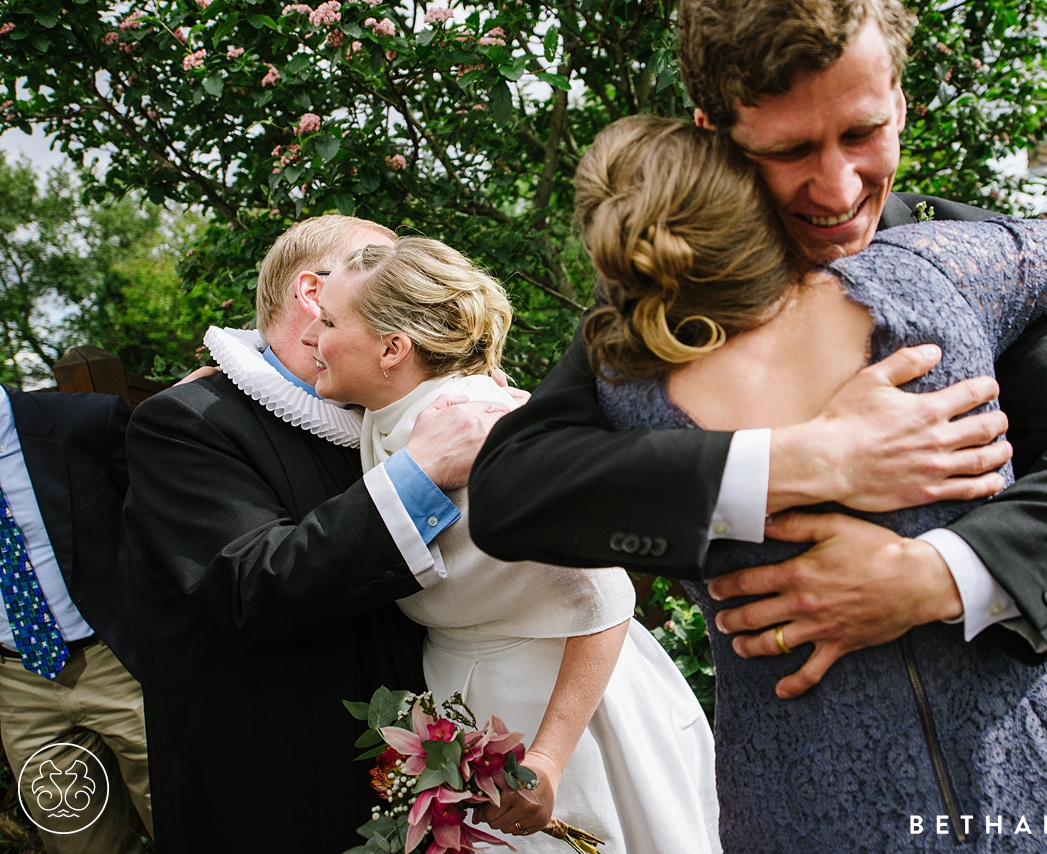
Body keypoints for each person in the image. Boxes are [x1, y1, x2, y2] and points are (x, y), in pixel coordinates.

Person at [469, 0, 1047, 702]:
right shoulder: (663, 288)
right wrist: (806, 459)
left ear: (899, 102)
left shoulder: (950, 253)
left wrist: (938, 574)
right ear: (713, 131)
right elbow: (514, 491)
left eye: (863, 131)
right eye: (789, 149)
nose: (840, 190)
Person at [579, 114, 1047, 851]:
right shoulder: (932, 274)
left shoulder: (620, 389)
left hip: (796, 798)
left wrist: (938, 573)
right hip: (1031, 788)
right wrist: (934, 224)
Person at [299, 236, 721, 853]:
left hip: (564, 713)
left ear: (394, 348)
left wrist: (546, 762)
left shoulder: (481, 427)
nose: (312, 337)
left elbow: (606, 594)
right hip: (466, 701)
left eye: (329, 322)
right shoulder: (387, 416)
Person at [123, 216, 517, 853]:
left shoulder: (401, 412)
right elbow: (257, 584)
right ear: (314, 293)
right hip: (276, 795)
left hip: (427, 775)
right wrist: (418, 474)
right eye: (384, 273)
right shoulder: (188, 422)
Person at [0, 384, 150, 854]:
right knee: (81, 844)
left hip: (119, 662)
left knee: (192, 819)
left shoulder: (83, 422)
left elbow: (163, 526)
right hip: (19, 687)